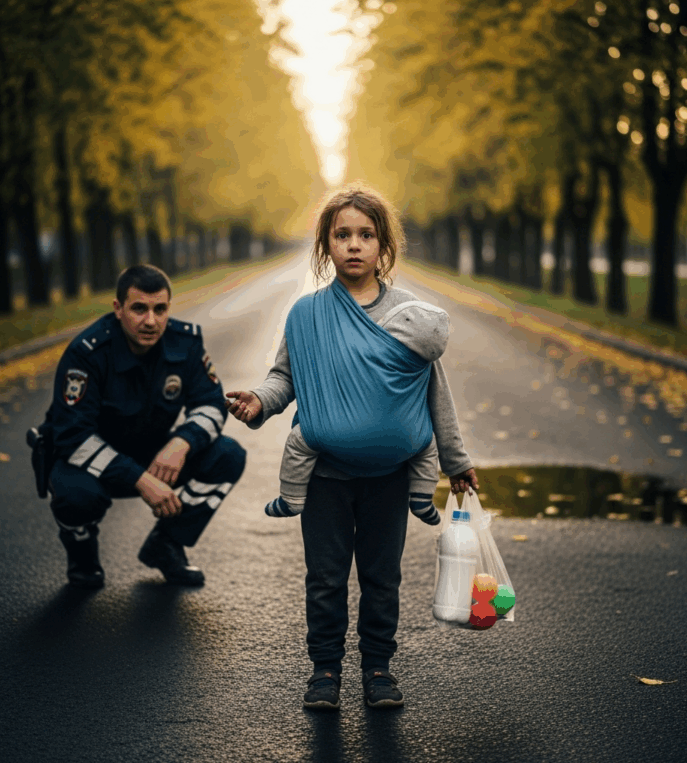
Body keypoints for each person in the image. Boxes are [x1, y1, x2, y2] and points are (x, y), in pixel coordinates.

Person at [226, 184, 478, 710]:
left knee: (382, 578)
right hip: (326, 476)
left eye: (366, 234)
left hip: (390, 477)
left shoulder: (411, 318)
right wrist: (258, 402)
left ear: (384, 244)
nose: (354, 245)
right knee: (325, 578)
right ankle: (324, 671)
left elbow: (437, 392)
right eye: (343, 235)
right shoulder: (307, 315)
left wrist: (455, 462)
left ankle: (379, 668)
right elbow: (284, 378)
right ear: (326, 245)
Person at [29, 264, 246, 589]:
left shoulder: (184, 343)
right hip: (89, 462)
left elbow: (211, 404)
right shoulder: (87, 352)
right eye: (139, 309)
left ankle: (167, 545)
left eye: (160, 309)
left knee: (228, 454)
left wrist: (182, 442)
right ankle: (83, 555)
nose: (151, 321)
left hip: (152, 452)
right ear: (118, 309)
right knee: (76, 498)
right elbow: (73, 436)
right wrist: (141, 480)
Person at [264, 298, 451, 526]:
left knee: (299, 441)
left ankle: (291, 498)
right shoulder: (422, 352)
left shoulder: (378, 332)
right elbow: (439, 396)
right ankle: (422, 499)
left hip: (336, 436)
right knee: (426, 447)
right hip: (406, 439)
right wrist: (456, 463)